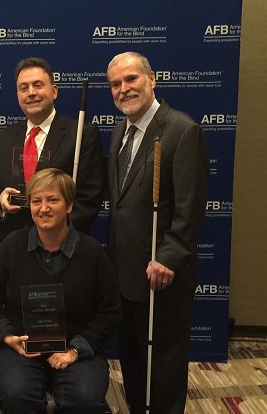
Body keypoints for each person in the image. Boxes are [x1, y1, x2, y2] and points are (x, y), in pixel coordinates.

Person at [106, 51, 209, 414]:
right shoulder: (121, 130)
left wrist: (168, 258)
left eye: (131, 79)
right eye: (115, 84)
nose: (123, 89)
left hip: (160, 274)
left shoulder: (181, 130)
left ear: (152, 79)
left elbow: (189, 206)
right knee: (134, 362)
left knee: (163, 366)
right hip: (125, 273)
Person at [0, 168, 121, 414]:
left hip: (74, 348)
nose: (43, 208)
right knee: (16, 395)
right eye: (36, 201)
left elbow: (110, 312)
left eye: (53, 200)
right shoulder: (11, 248)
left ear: (69, 206)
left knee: (84, 400)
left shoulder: (92, 253)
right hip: (21, 346)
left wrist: (77, 349)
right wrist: (7, 336)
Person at [0, 57, 104, 242]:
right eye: (24, 88)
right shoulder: (2, 138)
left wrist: (57, 233)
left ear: (54, 91)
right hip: (14, 245)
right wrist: (0, 199)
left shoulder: (80, 134)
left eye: (38, 85)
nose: (31, 93)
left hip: (64, 246)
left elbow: (90, 195)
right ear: (18, 95)